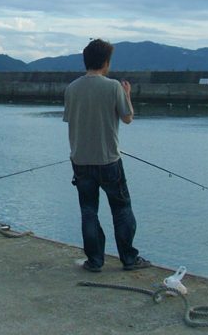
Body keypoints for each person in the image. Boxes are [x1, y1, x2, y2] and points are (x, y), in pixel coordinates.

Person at [63, 39, 150, 272]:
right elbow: (127, 117)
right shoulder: (113, 87)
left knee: (89, 211)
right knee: (121, 209)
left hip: (80, 161)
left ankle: (95, 261)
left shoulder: (71, 89)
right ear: (105, 62)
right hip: (109, 160)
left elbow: (71, 120)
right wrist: (127, 94)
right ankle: (129, 259)